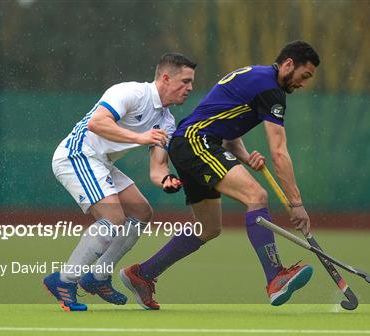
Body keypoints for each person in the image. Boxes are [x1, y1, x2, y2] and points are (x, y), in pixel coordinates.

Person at [119, 40, 320, 309]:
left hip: (191, 142)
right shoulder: (271, 90)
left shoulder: (256, 76)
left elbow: (227, 123)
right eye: (303, 75)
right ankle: (275, 278)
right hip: (196, 141)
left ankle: (142, 275)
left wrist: (246, 158)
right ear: (288, 65)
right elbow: (279, 152)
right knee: (256, 195)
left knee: (208, 227)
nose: (303, 83)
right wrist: (296, 204)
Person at [43, 53, 196, 311]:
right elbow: (96, 122)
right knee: (113, 218)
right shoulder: (131, 92)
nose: (190, 88)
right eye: (185, 81)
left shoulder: (166, 121)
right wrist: (140, 138)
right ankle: (64, 280)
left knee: (142, 211)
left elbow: (157, 168)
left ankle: (98, 276)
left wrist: (167, 180)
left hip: (100, 162)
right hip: (77, 154)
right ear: (166, 78)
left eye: (191, 82)